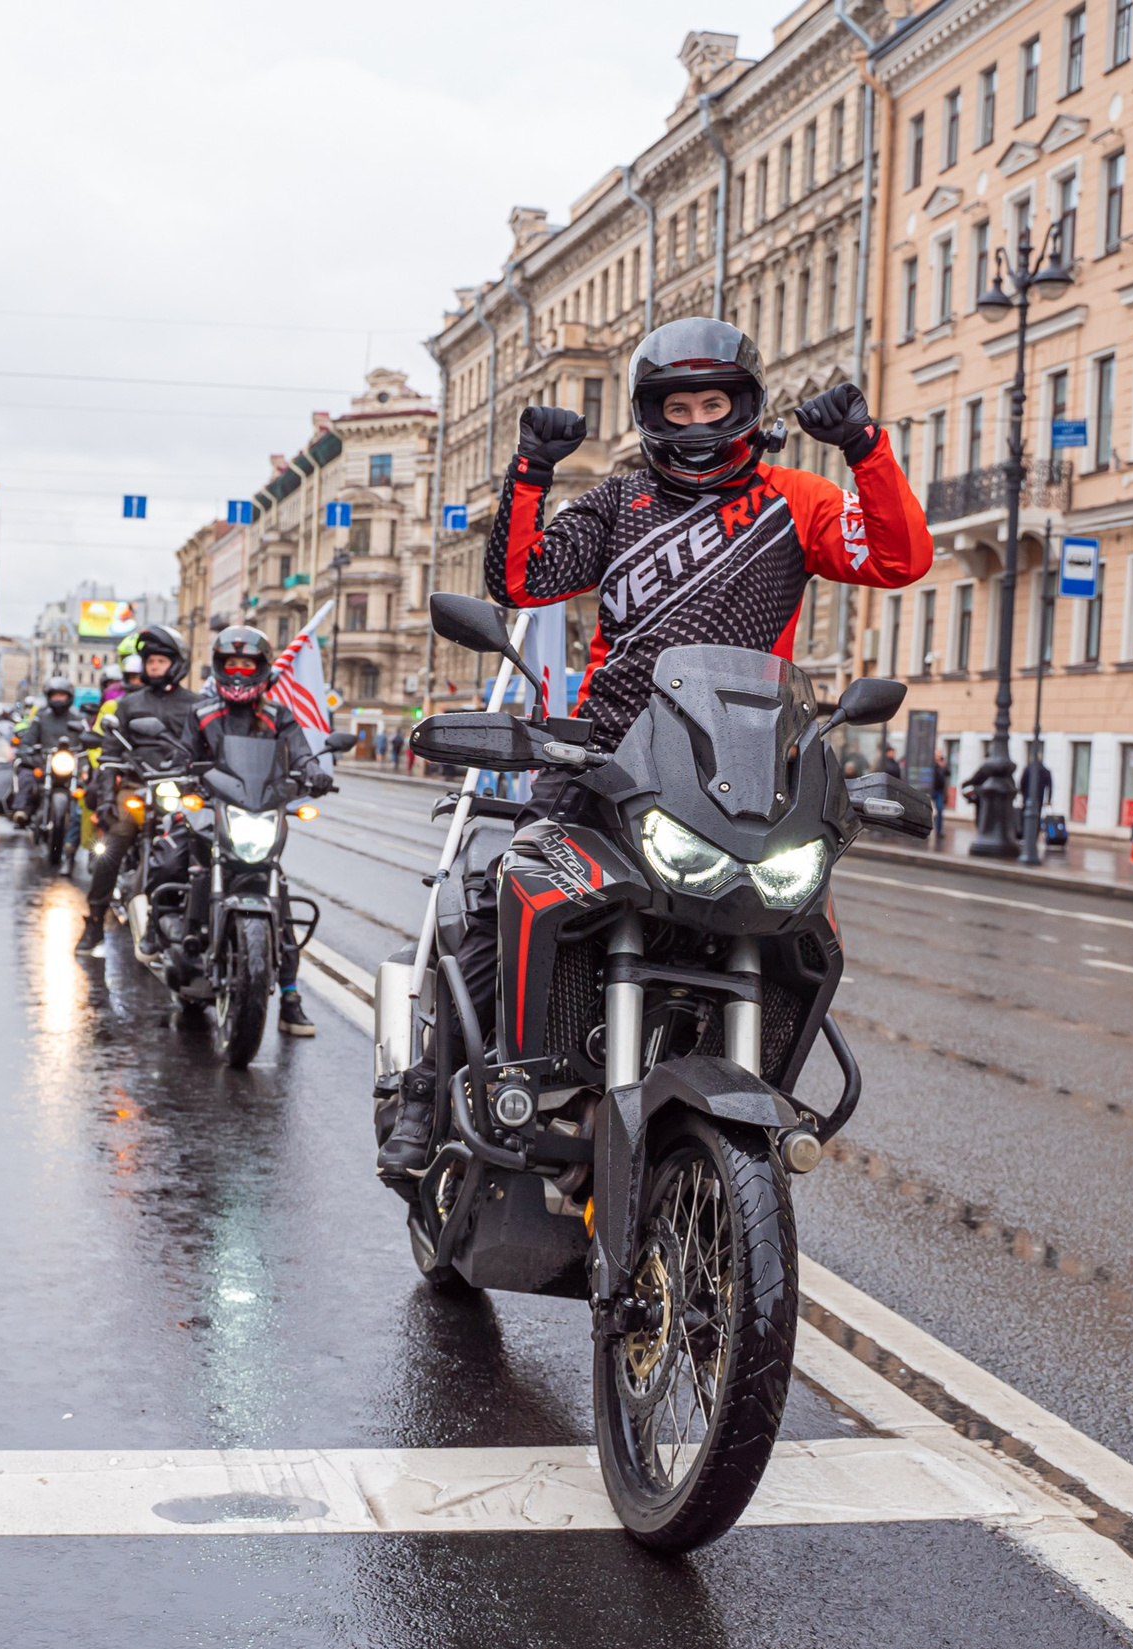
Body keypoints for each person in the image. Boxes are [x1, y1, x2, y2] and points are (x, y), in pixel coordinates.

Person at [377, 318, 933, 1178]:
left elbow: (900, 558)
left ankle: (743, 1089)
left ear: (745, 406)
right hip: (604, 755)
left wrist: (864, 448)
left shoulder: (797, 498)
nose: (697, 421)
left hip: (742, 770)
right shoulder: (617, 503)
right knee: (500, 892)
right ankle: (427, 1086)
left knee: (800, 923)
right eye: (678, 407)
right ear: (650, 415)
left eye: (714, 403)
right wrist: (531, 470)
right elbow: (522, 579)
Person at [189, 626, 331, 1037]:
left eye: (246, 664)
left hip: (259, 812)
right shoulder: (202, 713)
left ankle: (290, 995)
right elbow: (185, 755)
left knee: (277, 892)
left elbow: (300, 753)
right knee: (186, 862)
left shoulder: (278, 716)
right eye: (231, 663)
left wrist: (313, 771)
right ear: (220, 666)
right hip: (212, 811)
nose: (238, 672)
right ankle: (181, 941)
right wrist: (182, 776)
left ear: (261, 668)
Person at [77, 624, 199, 954]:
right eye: (150, 662)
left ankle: (201, 924)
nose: (154, 667)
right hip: (136, 789)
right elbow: (110, 756)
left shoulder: (196, 705)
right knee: (112, 843)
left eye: (161, 661)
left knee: (205, 844)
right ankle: (95, 922)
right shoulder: (128, 705)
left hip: (181, 792)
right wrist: (106, 799)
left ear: (177, 664)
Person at [10, 675, 86, 822]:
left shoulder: (77, 719)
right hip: (44, 763)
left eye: (62, 695)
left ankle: (79, 821)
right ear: (49, 697)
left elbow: (85, 741)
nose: (58, 699)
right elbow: (28, 740)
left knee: (86, 784)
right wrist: (26, 750)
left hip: (71, 766)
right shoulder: (41, 717)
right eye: (55, 695)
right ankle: (21, 810)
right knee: (27, 776)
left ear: (69, 697)